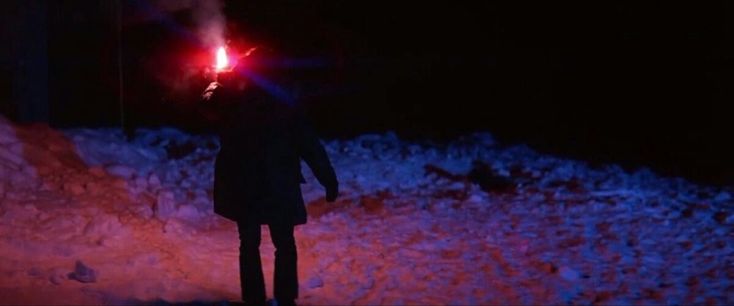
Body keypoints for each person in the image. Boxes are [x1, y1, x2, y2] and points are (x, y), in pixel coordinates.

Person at [200, 47, 338, 306]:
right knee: (284, 243)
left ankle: (254, 299)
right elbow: (309, 143)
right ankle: (285, 299)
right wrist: (327, 177)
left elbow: (204, 105)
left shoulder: (230, 97)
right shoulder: (284, 101)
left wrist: (214, 82)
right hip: (279, 183)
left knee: (249, 244)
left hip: (245, 185)